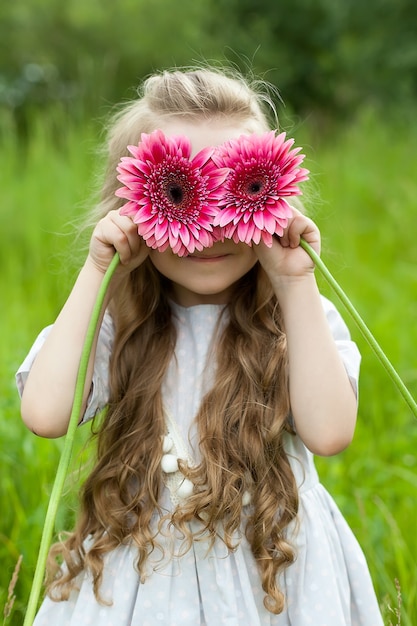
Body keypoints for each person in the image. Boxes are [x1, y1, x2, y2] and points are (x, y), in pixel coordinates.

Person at [16, 67, 384, 625]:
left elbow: (331, 432)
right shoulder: (117, 319)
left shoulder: (297, 316)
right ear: (129, 204)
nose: (210, 227)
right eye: (180, 191)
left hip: (275, 572)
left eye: (236, 190)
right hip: (142, 575)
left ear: (274, 195)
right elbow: (45, 414)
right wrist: (99, 271)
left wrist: (293, 280)